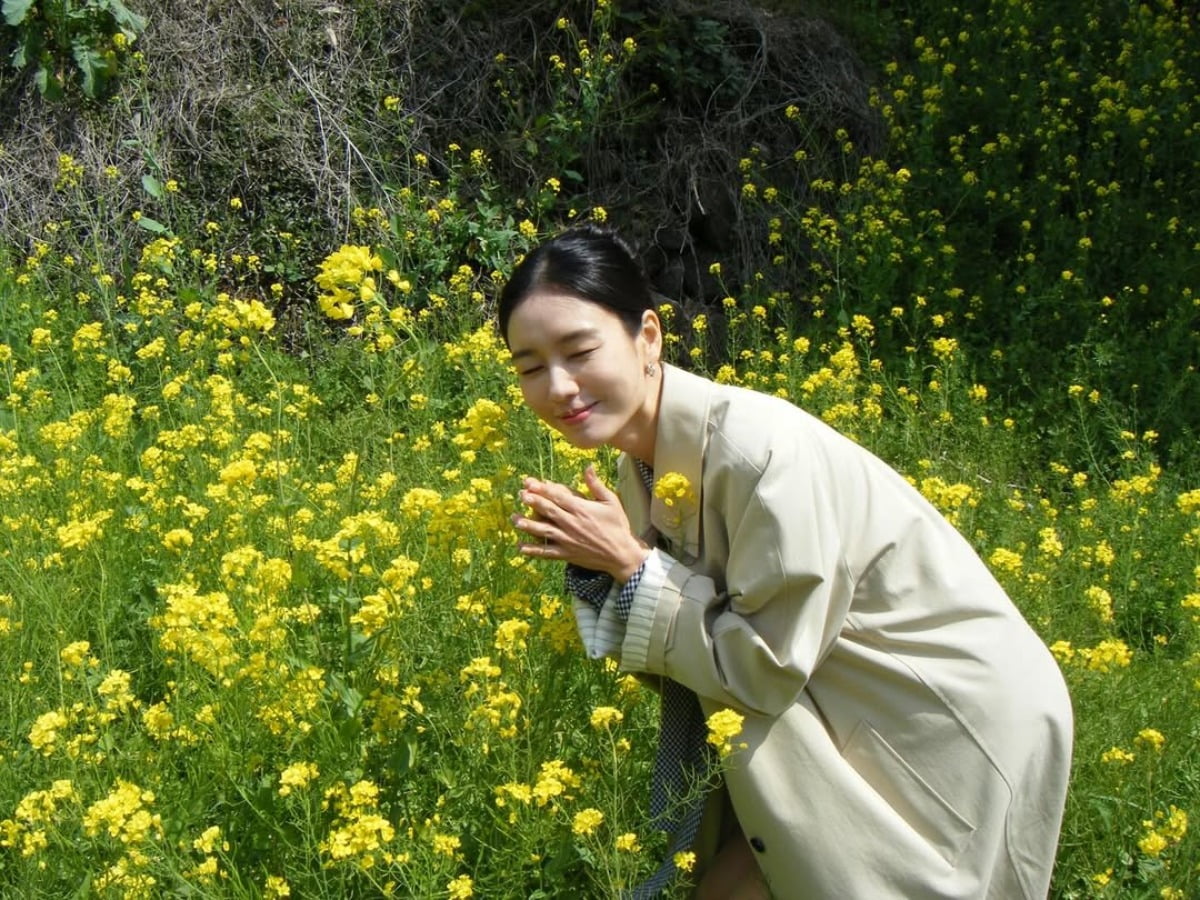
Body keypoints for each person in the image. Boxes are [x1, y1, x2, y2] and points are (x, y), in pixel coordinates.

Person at [501, 225, 1073, 899]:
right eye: (531, 368)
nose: (559, 387)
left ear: (648, 337)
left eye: (579, 350)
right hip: (833, 705)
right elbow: (702, 646)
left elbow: (764, 666)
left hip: (934, 721)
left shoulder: (756, 453)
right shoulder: (645, 465)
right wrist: (606, 569)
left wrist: (631, 566)